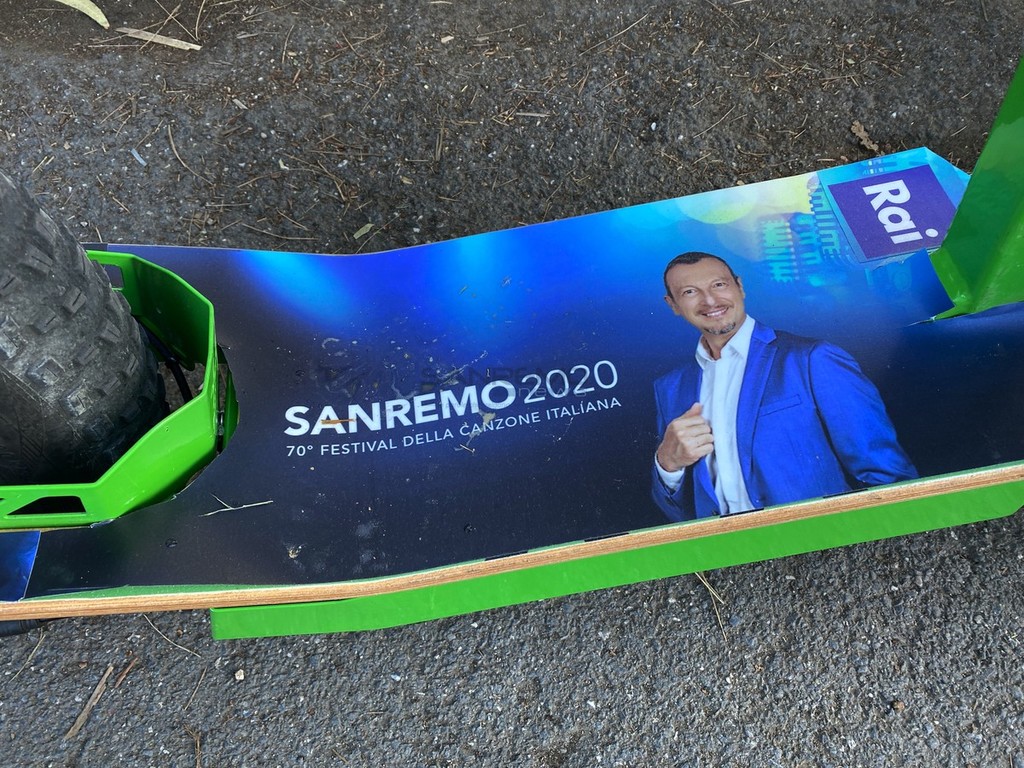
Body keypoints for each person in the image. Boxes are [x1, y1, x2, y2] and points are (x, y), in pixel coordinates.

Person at [652, 251, 917, 522]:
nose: (710, 300)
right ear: (673, 304)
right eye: (689, 292)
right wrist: (668, 463)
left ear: (740, 286)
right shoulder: (669, 388)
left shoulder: (812, 359)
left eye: (719, 285)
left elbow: (889, 476)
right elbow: (680, 514)